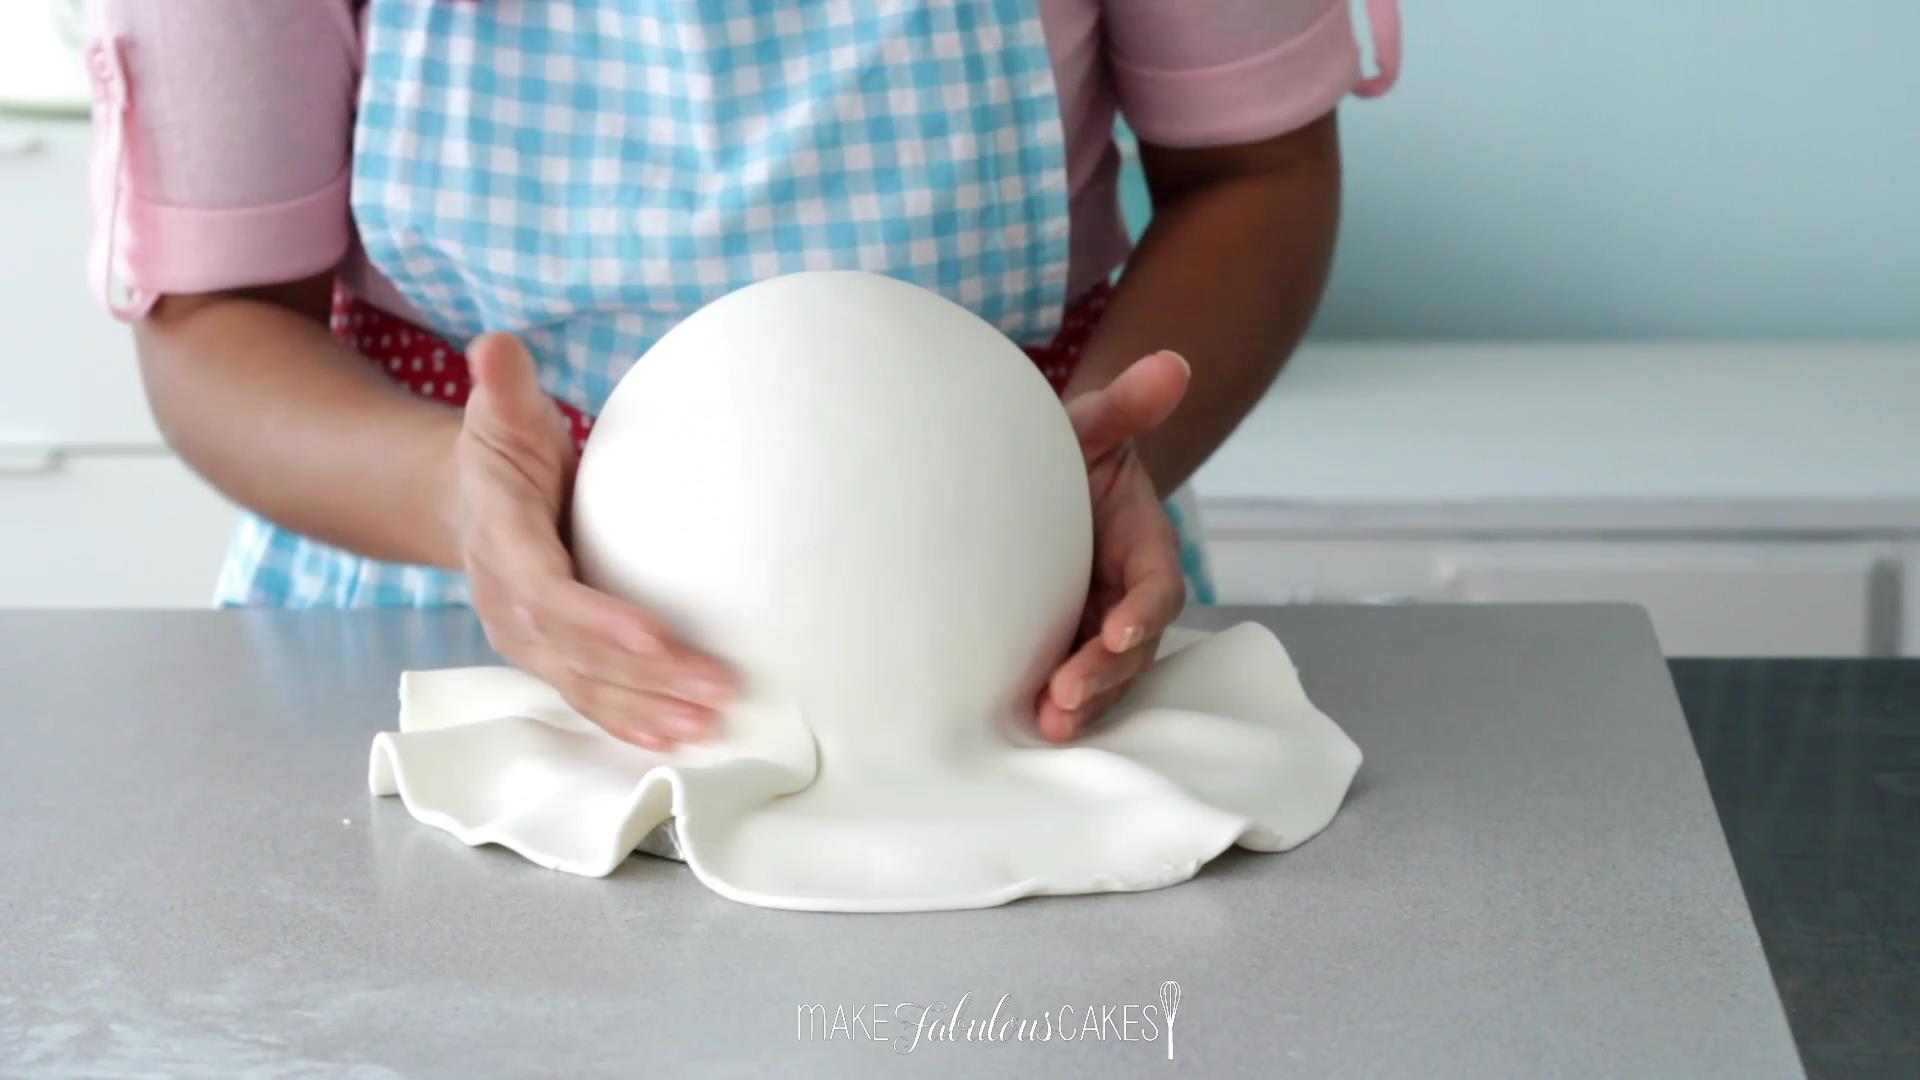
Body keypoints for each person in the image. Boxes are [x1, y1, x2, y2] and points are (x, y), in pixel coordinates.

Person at [84, 0, 1398, 749]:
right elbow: (216, 326)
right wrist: (472, 508)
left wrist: (1090, 474)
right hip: (437, 613)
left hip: (1016, 607)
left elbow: (1255, 179)